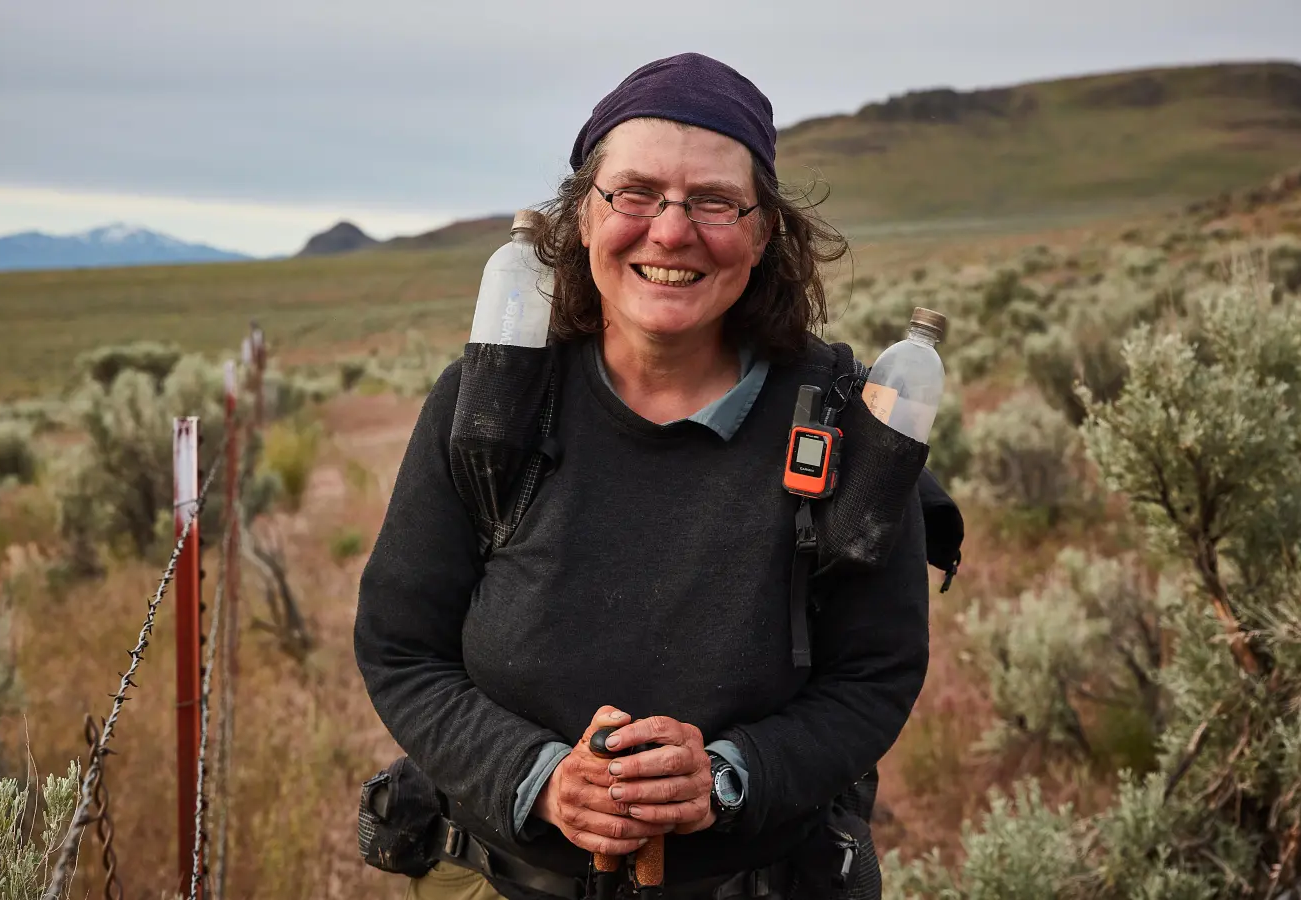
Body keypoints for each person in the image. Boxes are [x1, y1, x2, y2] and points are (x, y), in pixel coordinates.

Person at [355, 52, 930, 900]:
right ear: (583, 217)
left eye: (714, 202)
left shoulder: (844, 422)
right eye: (636, 193)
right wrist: (539, 776)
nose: (670, 231)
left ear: (765, 231)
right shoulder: (492, 407)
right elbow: (401, 648)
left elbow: (876, 674)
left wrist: (729, 777)